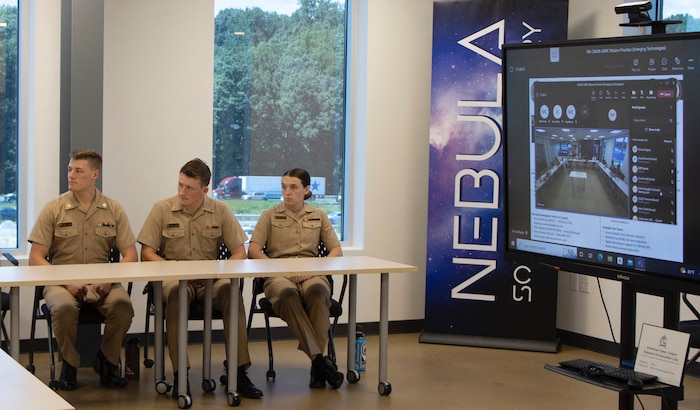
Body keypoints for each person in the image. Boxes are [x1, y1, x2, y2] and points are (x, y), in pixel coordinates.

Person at [137, 158, 262, 400]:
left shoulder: (220, 210)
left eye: (189, 188)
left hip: (210, 281)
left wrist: (219, 272)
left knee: (231, 292)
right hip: (174, 277)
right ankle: (180, 373)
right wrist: (175, 270)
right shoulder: (161, 209)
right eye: (180, 185)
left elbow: (239, 252)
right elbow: (147, 253)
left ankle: (237, 372)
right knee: (176, 294)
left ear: (204, 190)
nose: (182, 192)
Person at [28, 149, 137, 390]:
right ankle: (70, 363)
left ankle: (107, 359)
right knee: (64, 308)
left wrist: (110, 279)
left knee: (123, 307)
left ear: (95, 174)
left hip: (103, 281)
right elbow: (36, 258)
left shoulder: (114, 209)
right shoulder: (54, 208)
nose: (71, 175)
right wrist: (66, 282)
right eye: (70, 170)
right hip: (60, 281)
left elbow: (130, 255)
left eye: (78, 170)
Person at [247, 168, 344, 389]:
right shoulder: (269, 215)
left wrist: (315, 270)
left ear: (306, 189)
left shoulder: (319, 215)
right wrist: (278, 270)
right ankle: (320, 362)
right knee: (287, 294)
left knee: (318, 292)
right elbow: (253, 250)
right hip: (279, 275)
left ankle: (317, 366)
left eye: (293, 187)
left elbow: (336, 251)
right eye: (283, 187)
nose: (287, 192)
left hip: (311, 273)